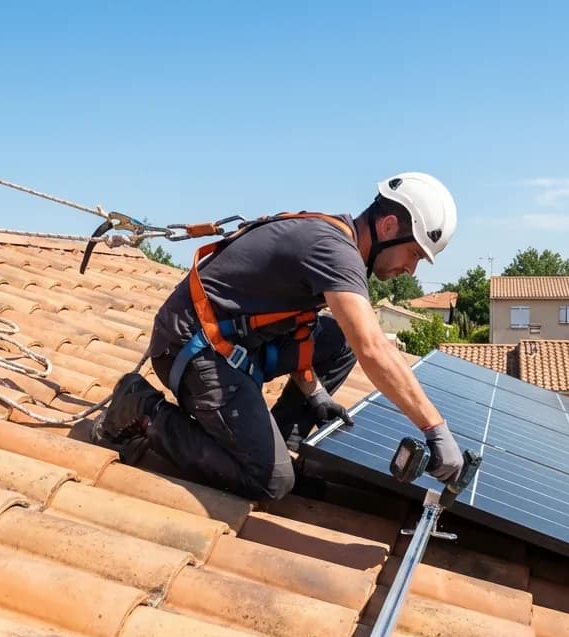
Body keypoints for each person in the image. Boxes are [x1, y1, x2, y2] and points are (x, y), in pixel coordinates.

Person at [92, 172, 465, 501]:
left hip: (235, 341)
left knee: (340, 340)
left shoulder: (337, 241)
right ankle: (143, 410)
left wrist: (314, 394)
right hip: (190, 347)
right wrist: (435, 428)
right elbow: (373, 348)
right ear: (387, 228)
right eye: (414, 253)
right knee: (270, 481)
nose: (411, 269)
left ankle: (284, 439)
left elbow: (296, 326)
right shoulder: (334, 250)